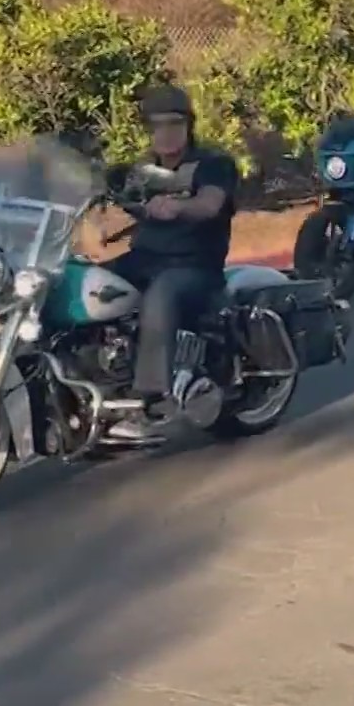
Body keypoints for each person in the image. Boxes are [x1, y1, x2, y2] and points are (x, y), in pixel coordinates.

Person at [104, 82, 241, 441]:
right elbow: (111, 197)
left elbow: (210, 204)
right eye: (156, 126)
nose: (164, 133)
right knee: (85, 283)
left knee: (161, 294)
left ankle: (152, 401)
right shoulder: (143, 170)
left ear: (188, 125)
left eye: (173, 124)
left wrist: (179, 206)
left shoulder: (213, 164)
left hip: (194, 266)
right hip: (144, 259)